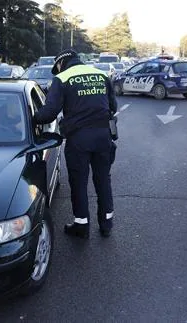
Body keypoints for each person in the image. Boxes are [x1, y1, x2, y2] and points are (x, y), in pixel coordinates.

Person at [33, 49, 118, 239]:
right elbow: (113, 107)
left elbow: (49, 113)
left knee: (79, 182)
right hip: (104, 136)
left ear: (61, 64)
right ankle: (106, 223)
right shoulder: (101, 75)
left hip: (79, 139)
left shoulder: (62, 78)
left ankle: (81, 226)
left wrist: (32, 119)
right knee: (103, 179)